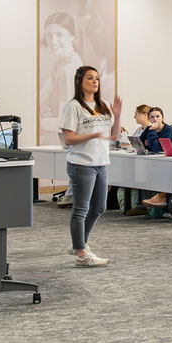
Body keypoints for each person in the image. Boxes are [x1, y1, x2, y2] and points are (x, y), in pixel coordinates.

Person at [60, 65, 122, 268]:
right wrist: (92, 134)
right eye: (90, 78)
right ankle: (81, 252)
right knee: (81, 209)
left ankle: (79, 242)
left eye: (96, 78)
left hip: (101, 162)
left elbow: (114, 136)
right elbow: (68, 138)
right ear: (79, 82)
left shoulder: (102, 105)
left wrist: (117, 115)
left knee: (99, 207)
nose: (95, 82)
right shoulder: (73, 107)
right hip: (81, 163)